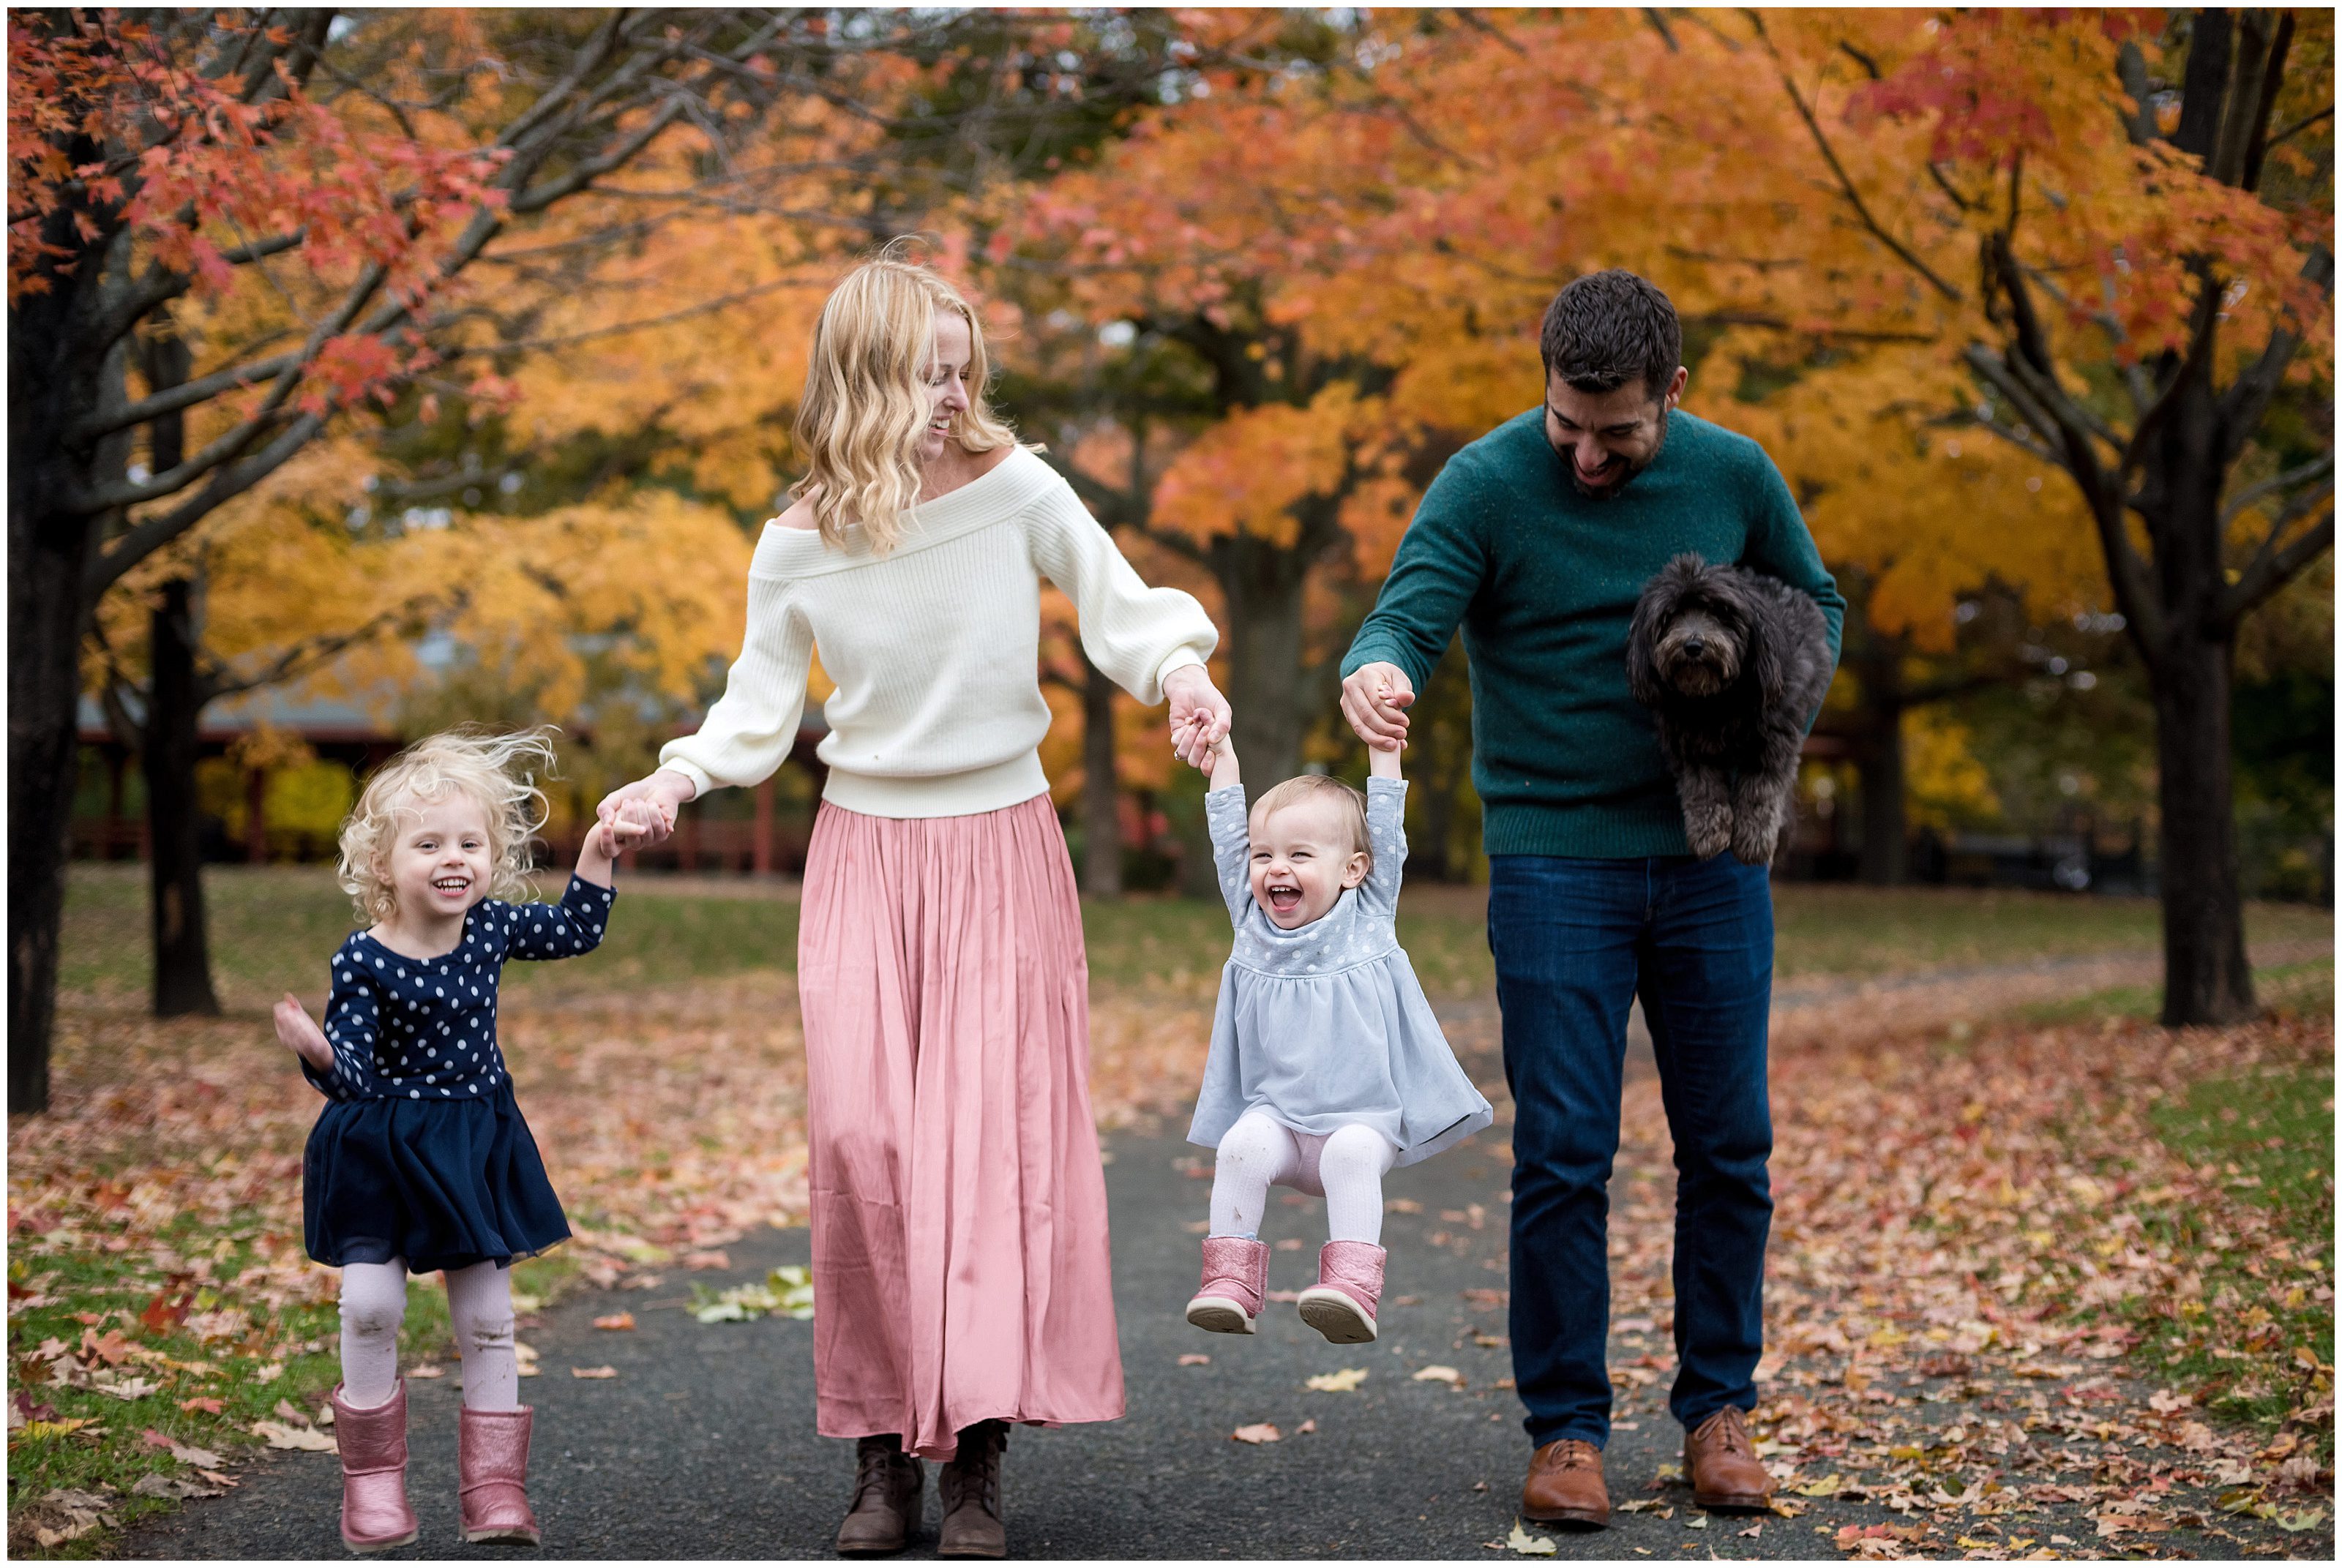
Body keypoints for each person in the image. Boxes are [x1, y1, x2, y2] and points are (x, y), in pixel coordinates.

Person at [595, 249, 1230, 1560]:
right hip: (865, 856)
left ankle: (977, 1469)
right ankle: (880, 1454)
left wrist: (1182, 674)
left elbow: (1124, 611)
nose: (951, 393)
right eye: (925, 372)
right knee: (865, 1148)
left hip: (1000, 844)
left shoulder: (1018, 490)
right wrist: (675, 777)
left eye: (962, 369)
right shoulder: (798, 539)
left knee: (985, 1153)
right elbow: (757, 709)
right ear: (861, 375)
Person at [1337, 269, 1844, 1530]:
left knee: (1730, 1145)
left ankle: (1718, 1407)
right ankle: (1566, 1427)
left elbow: (1818, 604)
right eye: (1569, 422)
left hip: (1712, 858)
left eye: (1616, 433)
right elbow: (1407, 612)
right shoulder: (1487, 479)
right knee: (1566, 1152)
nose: (1587, 453)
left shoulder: (1736, 473)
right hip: (1556, 852)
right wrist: (1380, 670)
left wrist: (1766, 697)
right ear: (1547, 380)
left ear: (1672, 391)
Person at [272, 727, 659, 1552]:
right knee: (372, 1305)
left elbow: (576, 931)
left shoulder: (487, 930)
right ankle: (373, 1490)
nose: (454, 859)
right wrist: (317, 1050)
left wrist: (596, 850)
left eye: (470, 843)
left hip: (471, 1145)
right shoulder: (364, 959)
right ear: (383, 864)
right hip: (379, 1147)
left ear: (492, 855)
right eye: (428, 844)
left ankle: (494, 1493)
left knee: (487, 1319)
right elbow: (355, 1077)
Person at [1181, 725, 1492, 1346]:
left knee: (1350, 1155)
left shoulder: (1369, 913)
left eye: (1301, 855)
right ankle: (1230, 1282)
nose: (1277, 868)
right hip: (1280, 1122)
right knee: (1240, 1144)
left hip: (1362, 1122)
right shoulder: (1251, 921)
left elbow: (1386, 821)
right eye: (1265, 855)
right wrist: (1224, 760)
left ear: (1353, 869)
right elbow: (1226, 838)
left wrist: (1384, 747)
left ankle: (1352, 1290)